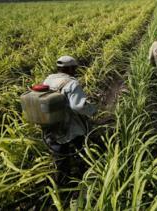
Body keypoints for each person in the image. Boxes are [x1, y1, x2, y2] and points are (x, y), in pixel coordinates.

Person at [42, 55, 96, 184]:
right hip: (68, 125)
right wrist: (93, 110)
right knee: (80, 147)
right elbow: (78, 106)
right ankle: (83, 174)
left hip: (50, 123)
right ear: (70, 68)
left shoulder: (48, 79)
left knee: (59, 156)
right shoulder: (71, 83)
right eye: (75, 68)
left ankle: (61, 181)